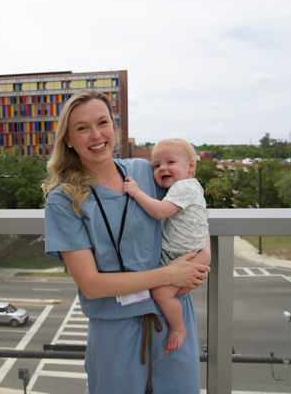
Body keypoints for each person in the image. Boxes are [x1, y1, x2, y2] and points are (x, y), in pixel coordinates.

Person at [42, 90, 211, 393]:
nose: (96, 135)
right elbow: (91, 285)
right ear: (68, 139)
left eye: (102, 122)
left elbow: (192, 214)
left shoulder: (146, 172)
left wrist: (201, 259)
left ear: (114, 128)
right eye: (82, 128)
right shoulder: (63, 200)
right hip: (116, 333)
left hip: (173, 323)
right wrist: (170, 275)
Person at [123, 139, 209, 354]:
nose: (163, 168)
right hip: (188, 252)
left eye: (170, 162)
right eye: (156, 165)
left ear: (190, 166)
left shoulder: (183, 188)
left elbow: (160, 211)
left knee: (161, 293)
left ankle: (178, 328)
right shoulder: (191, 186)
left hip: (179, 255)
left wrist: (136, 192)